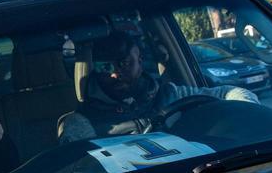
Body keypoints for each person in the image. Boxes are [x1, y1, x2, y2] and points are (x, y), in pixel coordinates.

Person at [61, 32, 259, 141]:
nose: (114, 73)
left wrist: (249, 114)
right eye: (104, 66)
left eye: (124, 64)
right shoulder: (82, 123)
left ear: (140, 60)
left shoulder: (171, 93)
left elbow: (229, 93)